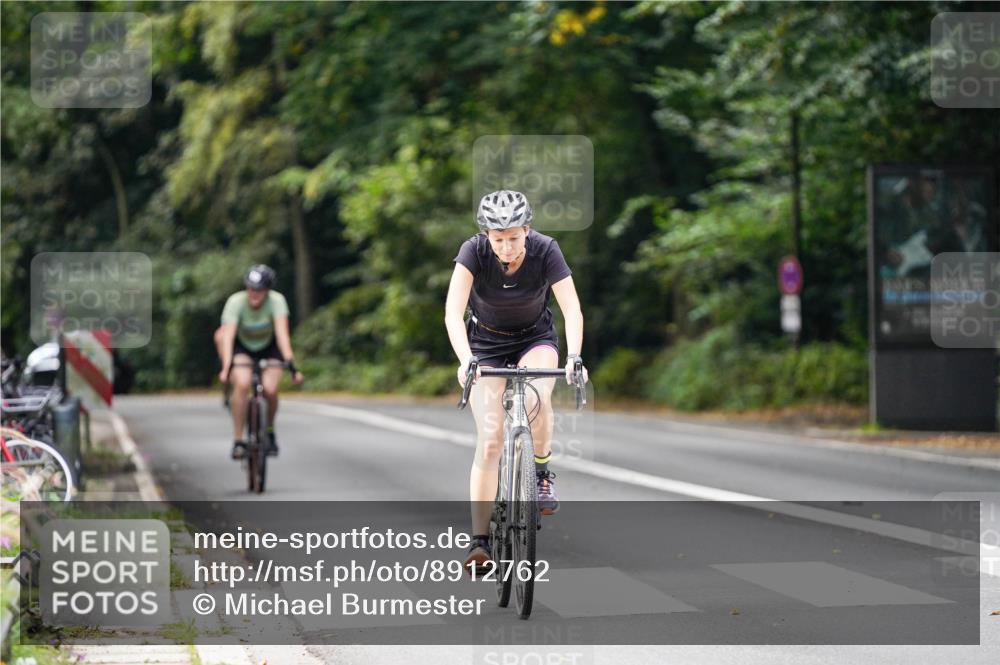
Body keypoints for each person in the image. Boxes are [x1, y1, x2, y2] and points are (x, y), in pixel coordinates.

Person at [444, 190, 589, 572]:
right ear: (486, 236)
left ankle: (540, 473)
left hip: (535, 338)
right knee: (490, 440)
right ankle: (480, 542)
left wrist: (574, 357)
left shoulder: (546, 250)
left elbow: (571, 308)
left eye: (513, 237)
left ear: (527, 230)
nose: (506, 247)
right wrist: (465, 360)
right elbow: (452, 313)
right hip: (485, 345)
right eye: (498, 239)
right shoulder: (473, 252)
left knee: (537, 397)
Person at [214, 265, 303, 460]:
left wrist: (292, 365)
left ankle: (269, 430)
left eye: (260, 290)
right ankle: (238, 440)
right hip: (242, 347)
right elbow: (228, 337)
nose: (254, 294)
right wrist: (226, 367)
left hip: (269, 346)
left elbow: (282, 336)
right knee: (243, 384)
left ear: (268, 290)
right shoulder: (235, 302)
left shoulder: (277, 301)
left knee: (270, 390)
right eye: (251, 289)